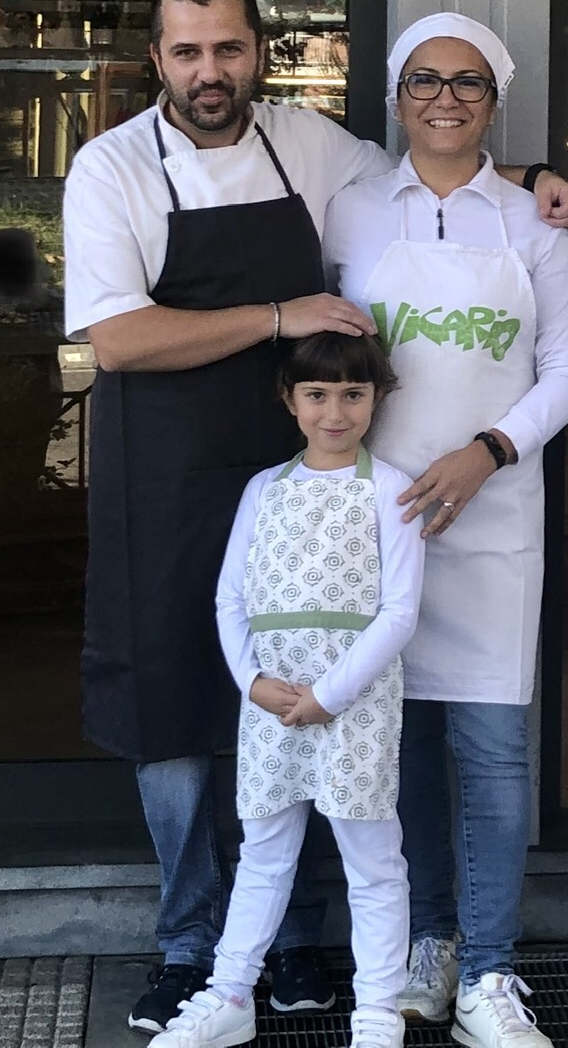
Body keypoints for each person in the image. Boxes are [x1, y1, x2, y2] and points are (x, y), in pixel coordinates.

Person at [62, 0, 568, 1031]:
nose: (210, 71)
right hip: (164, 475)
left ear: (258, 53)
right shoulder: (110, 167)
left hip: (308, 469)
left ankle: (300, 941)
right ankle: (189, 948)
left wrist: (531, 173)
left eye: (228, 48)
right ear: (156, 59)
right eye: (187, 52)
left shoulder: (306, 144)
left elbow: (436, 158)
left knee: (311, 688)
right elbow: (116, 338)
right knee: (170, 703)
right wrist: (275, 315)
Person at [322, 13, 568, 1048]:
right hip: (379, 521)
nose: (445, 99)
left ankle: (489, 970)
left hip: (496, 521)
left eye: (468, 82)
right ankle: (429, 944)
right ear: (396, 97)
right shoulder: (350, 208)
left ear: (494, 99)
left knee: (491, 752)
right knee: (399, 748)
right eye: (425, 81)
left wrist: (489, 449)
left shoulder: (532, 222)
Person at [161, 330, 423, 1048]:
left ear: (377, 398)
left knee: (373, 859)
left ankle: (377, 1010)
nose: (334, 412)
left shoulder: (391, 489)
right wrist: (251, 680)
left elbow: (399, 611)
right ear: (290, 400)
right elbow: (230, 597)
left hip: (355, 705)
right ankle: (229, 993)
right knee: (265, 852)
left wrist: (329, 694)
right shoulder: (263, 489)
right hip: (271, 703)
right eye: (317, 394)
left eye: (353, 394)